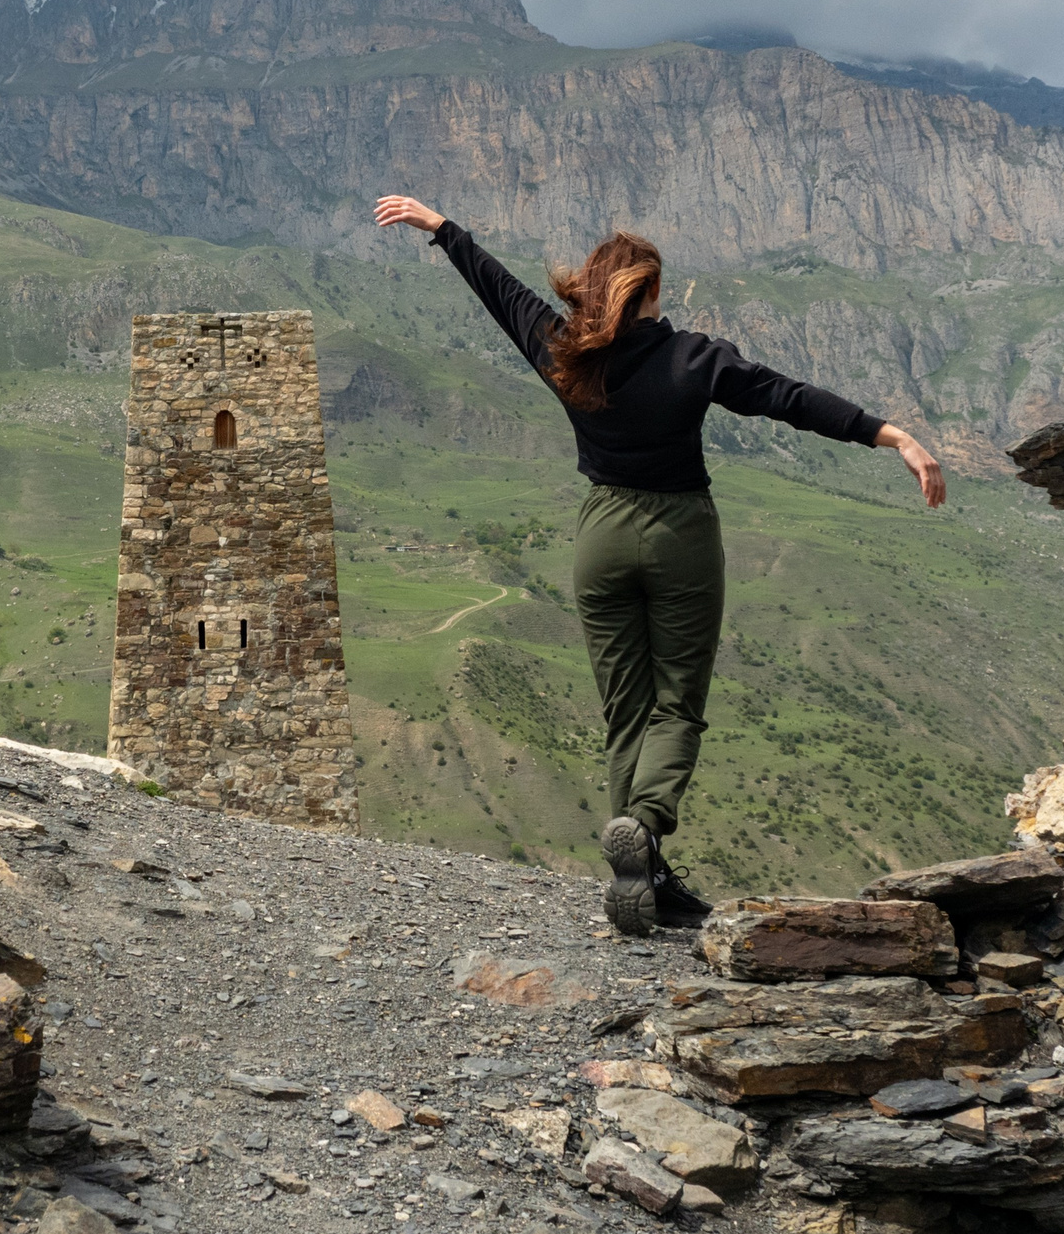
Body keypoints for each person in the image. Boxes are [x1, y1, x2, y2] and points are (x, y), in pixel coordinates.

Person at [372, 195, 946, 933]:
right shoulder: (692, 357)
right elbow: (788, 399)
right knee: (677, 704)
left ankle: (641, 879)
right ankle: (643, 828)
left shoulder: (560, 349)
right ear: (647, 291)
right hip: (679, 533)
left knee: (626, 714)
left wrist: (443, 229)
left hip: (601, 535)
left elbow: (498, 289)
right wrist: (894, 436)